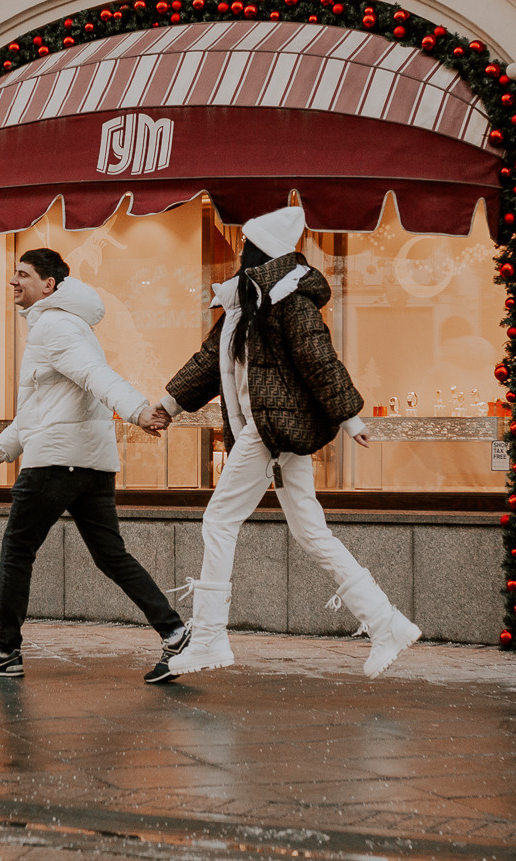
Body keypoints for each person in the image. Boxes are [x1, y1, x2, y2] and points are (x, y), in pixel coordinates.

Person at [146, 206, 420, 682]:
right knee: (311, 532)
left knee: (219, 520)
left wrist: (350, 415)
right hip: (273, 430)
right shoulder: (245, 303)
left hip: (271, 429)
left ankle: (209, 635)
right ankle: (386, 622)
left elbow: (319, 357)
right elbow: (210, 361)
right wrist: (167, 404)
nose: (237, 253)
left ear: (258, 251)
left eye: (244, 246)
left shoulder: (289, 299)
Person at [0, 248, 191, 683]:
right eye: (13, 274)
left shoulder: (55, 325)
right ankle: (173, 631)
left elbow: (94, 375)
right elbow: (46, 405)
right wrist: (1, 449)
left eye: (22, 275)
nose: (13, 282)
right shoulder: (67, 324)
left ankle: (5, 651)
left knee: (16, 551)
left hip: (55, 464)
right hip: (88, 463)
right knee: (110, 556)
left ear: (49, 286)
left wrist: (137, 409)